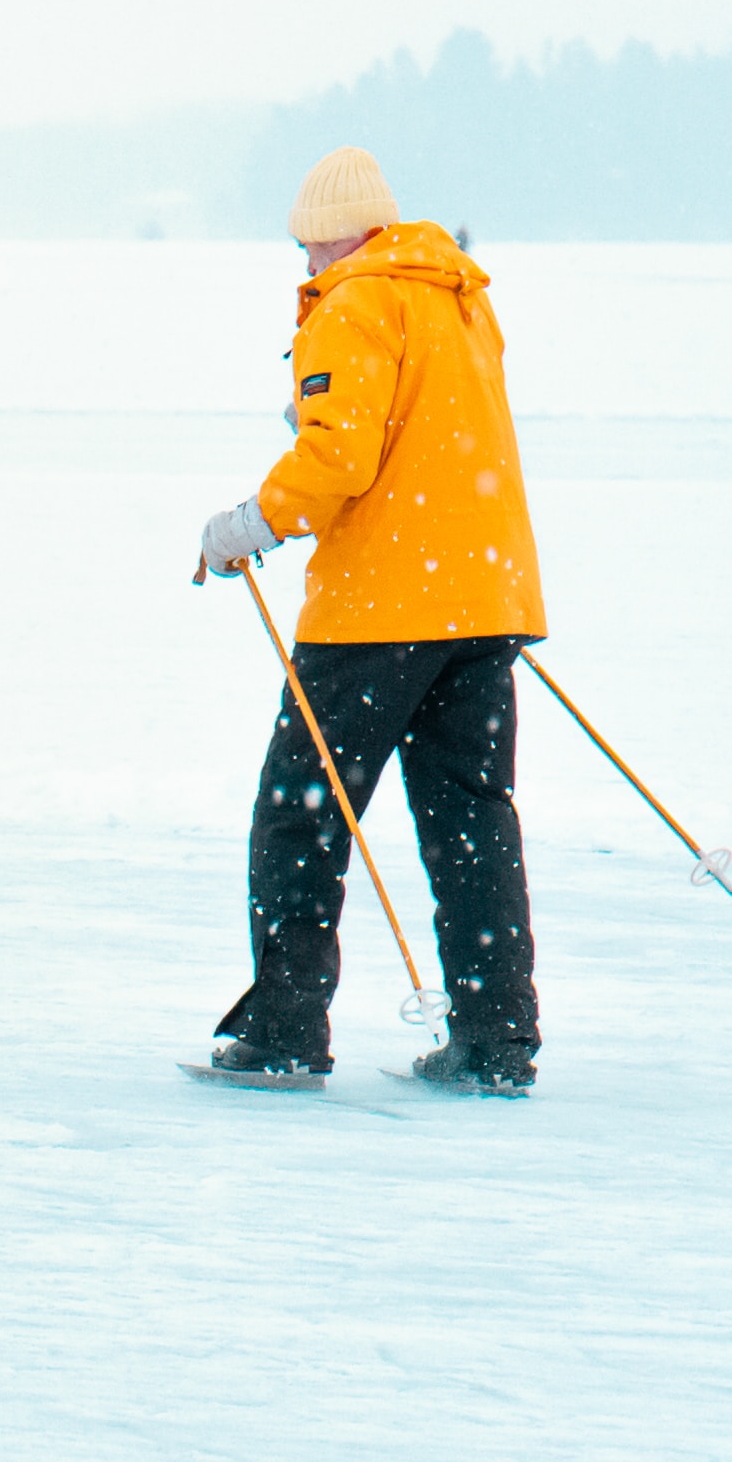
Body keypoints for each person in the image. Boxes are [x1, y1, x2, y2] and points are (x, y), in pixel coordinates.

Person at [191, 146, 547, 1094]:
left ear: (328, 235)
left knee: (298, 818)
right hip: (483, 601)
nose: (305, 267)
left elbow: (338, 459)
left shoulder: (351, 301)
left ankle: (283, 1031)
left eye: (307, 248)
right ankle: (496, 1038)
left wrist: (243, 528)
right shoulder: (457, 299)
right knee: (468, 820)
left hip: (377, 614)